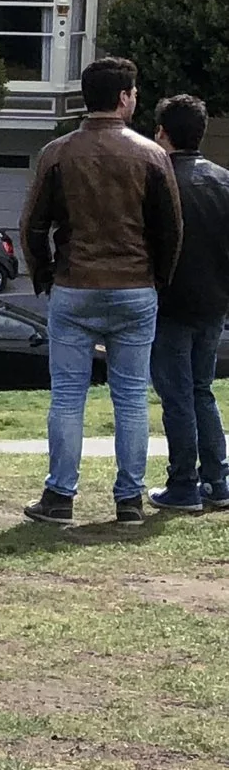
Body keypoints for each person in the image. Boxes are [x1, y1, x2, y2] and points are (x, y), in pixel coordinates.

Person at [21, 54, 182, 527]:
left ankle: (59, 496)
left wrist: (44, 273)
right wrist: (160, 279)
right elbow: (170, 229)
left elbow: (33, 225)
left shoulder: (58, 152)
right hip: (134, 286)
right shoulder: (151, 156)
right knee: (131, 396)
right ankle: (129, 499)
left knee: (67, 396)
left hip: (74, 285)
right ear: (124, 98)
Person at [149, 93, 229, 516]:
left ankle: (184, 483)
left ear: (163, 132)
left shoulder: (159, 181)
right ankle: (217, 479)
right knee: (202, 390)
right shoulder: (223, 180)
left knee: (177, 394)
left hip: (170, 302)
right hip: (214, 302)